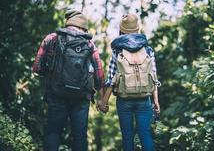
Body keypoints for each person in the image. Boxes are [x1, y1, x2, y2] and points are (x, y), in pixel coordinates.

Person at [32, 9, 105, 151]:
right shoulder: (90, 44)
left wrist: (51, 74)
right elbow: (99, 74)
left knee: (53, 132)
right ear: (83, 27)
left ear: (68, 23)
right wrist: (103, 100)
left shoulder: (52, 38)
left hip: (56, 93)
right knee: (79, 136)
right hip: (81, 97)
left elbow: (36, 67)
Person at [99, 14, 161, 151]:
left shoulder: (118, 50)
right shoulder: (148, 50)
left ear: (122, 30)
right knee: (145, 135)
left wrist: (104, 101)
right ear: (137, 29)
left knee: (127, 137)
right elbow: (154, 77)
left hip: (124, 100)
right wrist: (155, 100)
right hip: (144, 98)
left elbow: (111, 79)